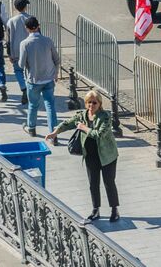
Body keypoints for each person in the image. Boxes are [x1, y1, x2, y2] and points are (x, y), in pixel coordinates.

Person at [49, 90, 120, 223]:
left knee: (109, 183)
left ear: (99, 104)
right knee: (93, 184)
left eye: (94, 103)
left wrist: (83, 128)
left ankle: (114, 210)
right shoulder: (82, 115)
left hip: (107, 155)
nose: (91, 105)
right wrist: (55, 132)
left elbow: (99, 134)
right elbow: (68, 123)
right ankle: (95, 209)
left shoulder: (105, 116)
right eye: (89, 102)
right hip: (90, 155)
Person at [18, 15, 59, 137]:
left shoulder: (25, 43)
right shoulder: (48, 40)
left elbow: (21, 64)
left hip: (33, 80)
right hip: (48, 78)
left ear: (27, 28)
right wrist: (55, 73)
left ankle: (31, 128)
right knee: (50, 106)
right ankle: (53, 134)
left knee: (33, 105)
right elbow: (56, 59)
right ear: (38, 26)